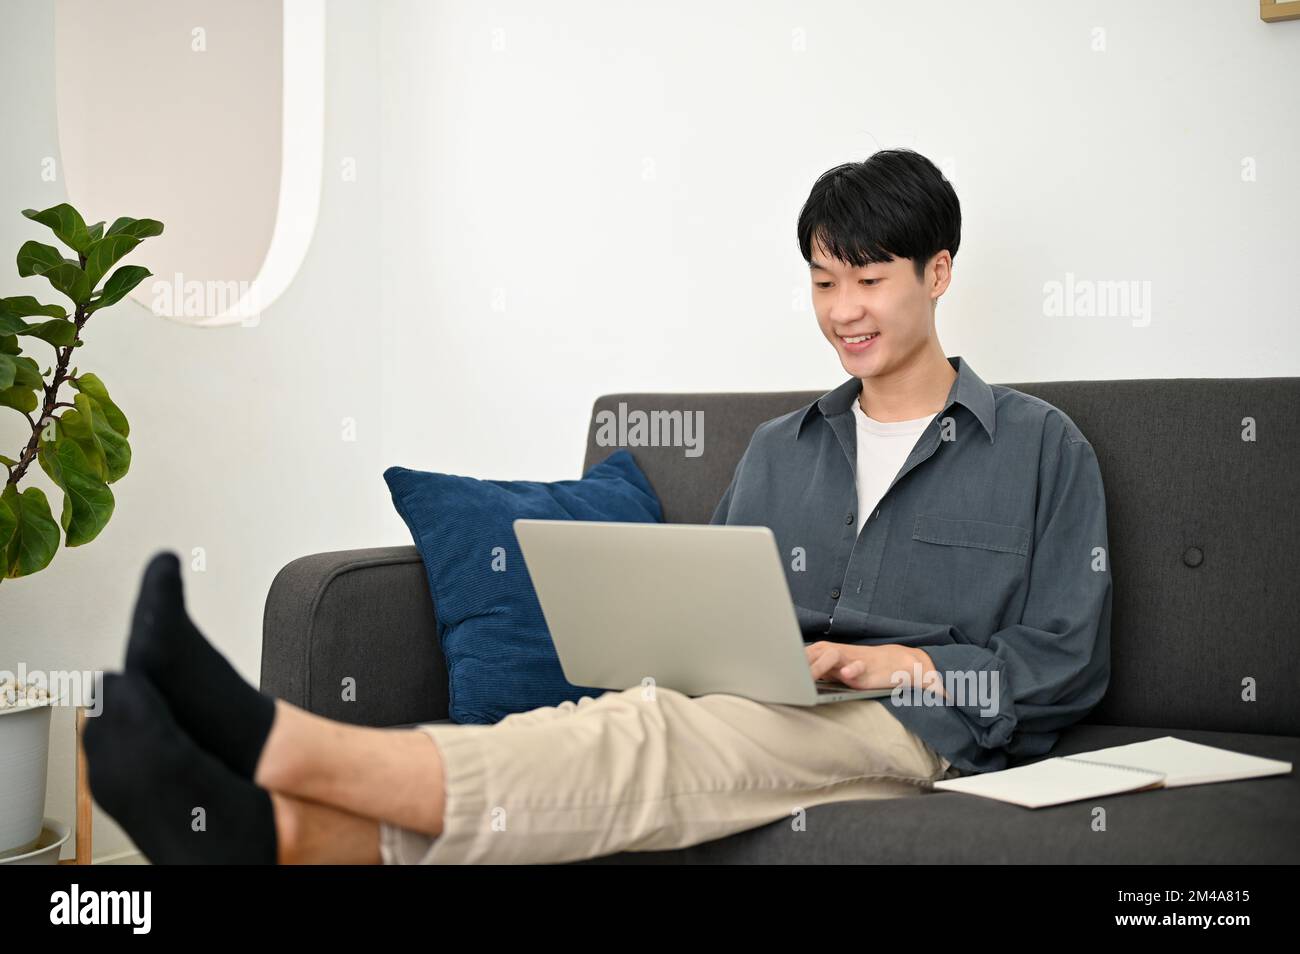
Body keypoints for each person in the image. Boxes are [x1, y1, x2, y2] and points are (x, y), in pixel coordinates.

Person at [83, 148, 1111, 864]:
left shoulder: (1036, 446)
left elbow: (1067, 665)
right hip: (758, 711)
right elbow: (718, 619)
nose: (841, 311)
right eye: (820, 281)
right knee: (648, 732)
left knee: (657, 741)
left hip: (918, 727)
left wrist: (901, 663)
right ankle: (277, 839)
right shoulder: (776, 451)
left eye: (869, 281)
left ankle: (278, 743)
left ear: (938, 274)